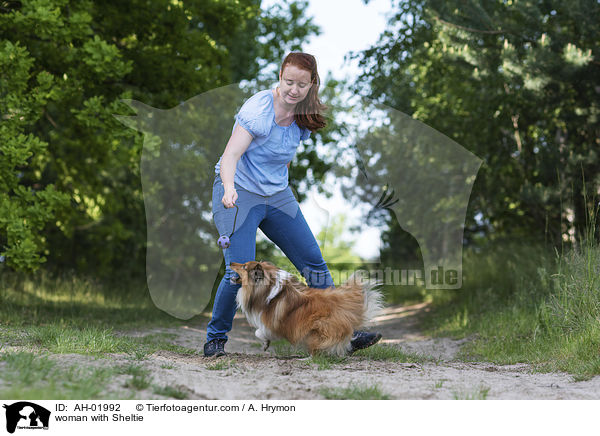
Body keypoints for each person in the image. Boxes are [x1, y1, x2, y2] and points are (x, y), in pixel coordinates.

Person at [204, 52, 382, 357]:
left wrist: (280, 191)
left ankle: (343, 332)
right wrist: (230, 189)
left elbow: (281, 159)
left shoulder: (303, 115)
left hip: (276, 195)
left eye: (302, 84)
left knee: (313, 261)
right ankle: (215, 338)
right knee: (239, 270)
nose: (294, 90)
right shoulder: (257, 110)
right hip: (238, 191)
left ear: (311, 84)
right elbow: (231, 156)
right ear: (280, 77)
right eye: (289, 82)